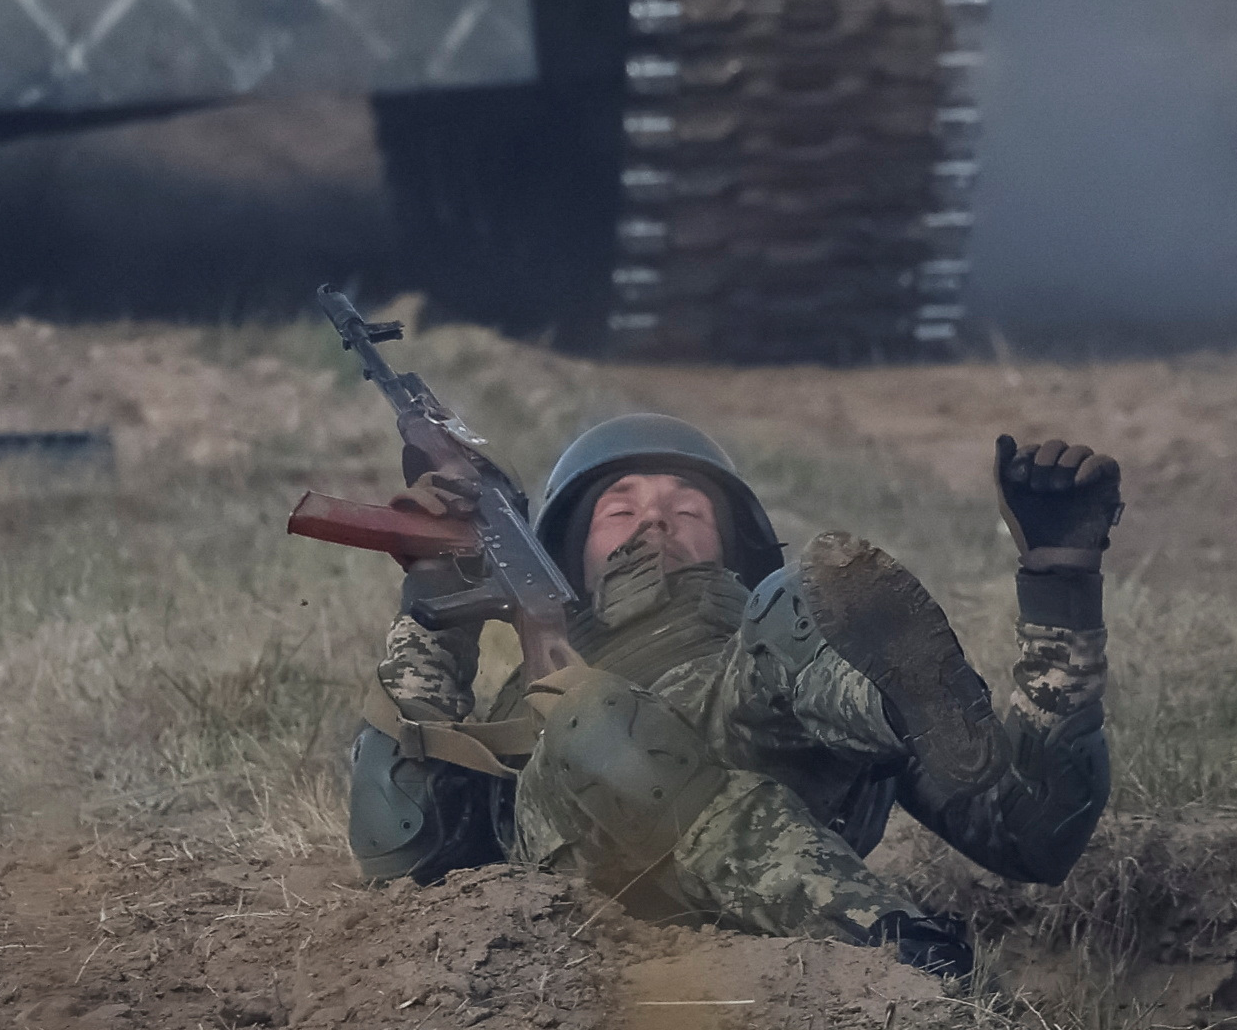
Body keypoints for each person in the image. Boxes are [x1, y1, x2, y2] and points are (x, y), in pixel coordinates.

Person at [350, 414, 1123, 971]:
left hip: (764, 713)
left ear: (736, 544)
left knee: (795, 605)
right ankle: (895, 943)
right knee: (597, 725)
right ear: (562, 558)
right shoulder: (535, 688)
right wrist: (433, 602)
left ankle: (891, 711)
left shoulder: (767, 634)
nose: (655, 516)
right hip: (580, 822)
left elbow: (1034, 833)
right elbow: (399, 847)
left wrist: (1060, 588)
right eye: (620, 507)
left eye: (689, 508)